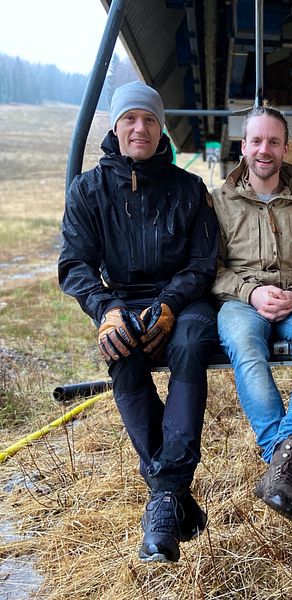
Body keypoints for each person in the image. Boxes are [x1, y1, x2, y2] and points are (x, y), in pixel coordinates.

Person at [59, 81, 220, 563]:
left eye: (149, 119)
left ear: (160, 127)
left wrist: (170, 303)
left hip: (184, 300)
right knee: (122, 354)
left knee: (191, 343)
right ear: (114, 124)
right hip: (122, 299)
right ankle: (171, 496)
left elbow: (203, 262)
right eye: (130, 118)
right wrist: (105, 309)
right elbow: (75, 264)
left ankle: (164, 496)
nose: (140, 128)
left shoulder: (188, 189)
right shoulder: (89, 190)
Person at [212, 106, 292, 523]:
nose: (264, 149)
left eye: (273, 141)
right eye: (256, 141)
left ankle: (282, 464)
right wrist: (251, 294)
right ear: (243, 146)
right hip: (241, 303)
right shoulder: (218, 203)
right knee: (245, 344)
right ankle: (285, 462)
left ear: (286, 147)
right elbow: (210, 270)